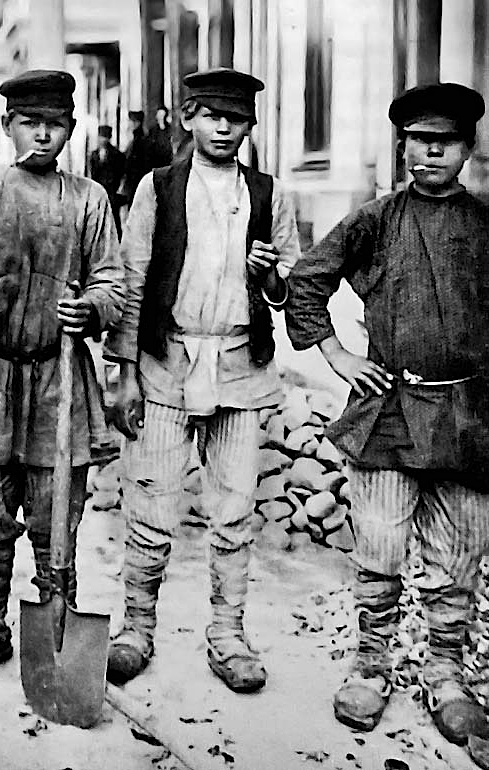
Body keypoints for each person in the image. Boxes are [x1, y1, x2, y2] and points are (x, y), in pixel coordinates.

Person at [285, 82, 489, 746]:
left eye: (447, 140)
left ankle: (445, 672)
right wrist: (339, 355)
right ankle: (371, 664)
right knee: (378, 547)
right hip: (389, 412)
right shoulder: (376, 218)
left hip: (467, 417)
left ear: (467, 148)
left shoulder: (486, 223)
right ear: (401, 145)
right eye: (419, 140)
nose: (431, 151)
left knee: (458, 556)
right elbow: (307, 280)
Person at [103, 67, 301, 690]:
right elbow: (133, 280)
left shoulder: (269, 195)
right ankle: (136, 628)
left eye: (236, 118)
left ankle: (228, 633)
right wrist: (125, 371)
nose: (224, 127)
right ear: (188, 118)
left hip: (240, 368)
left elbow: (286, 288)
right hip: (168, 364)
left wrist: (268, 274)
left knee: (236, 509)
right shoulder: (157, 189)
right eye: (212, 115)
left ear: (249, 126)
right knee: (152, 503)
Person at [0, 69, 125, 679]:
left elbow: (112, 279)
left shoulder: (88, 199)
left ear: (71, 128)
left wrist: (91, 308)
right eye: (30, 124)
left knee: (54, 508)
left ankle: (56, 617)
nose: (43, 136)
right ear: (8, 126)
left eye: (57, 125)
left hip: (56, 379)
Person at [89, 124, 126, 236]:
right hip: (98, 193)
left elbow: (121, 173)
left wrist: (117, 188)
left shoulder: (117, 155)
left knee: (114, 221)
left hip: (112, 193)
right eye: (101, 137)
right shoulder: (94, 155)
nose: (103, 140)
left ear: (109, 138)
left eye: (105, 137)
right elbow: (92, 175)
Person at [121, 110, 151, 208]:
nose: (129, 124)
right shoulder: (138, 139)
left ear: (136, 123)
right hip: (137, 183)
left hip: (136, 183)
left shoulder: (139, 141)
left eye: (131, 121)